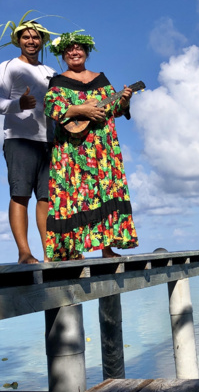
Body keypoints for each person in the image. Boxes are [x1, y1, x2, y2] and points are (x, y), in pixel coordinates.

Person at [44, 31, 138, 261]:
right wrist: (79, 110)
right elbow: (51, 108)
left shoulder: (101, 80)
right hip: (72, 151)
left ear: (86, 52)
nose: (74, 52)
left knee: (105, 193)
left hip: (103, 150)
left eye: (79, 48)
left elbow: (114, 110)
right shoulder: (58, 82)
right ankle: (71, 251)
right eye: (69, 50)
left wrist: (124, 101)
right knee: (74, 196)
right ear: (63, 54)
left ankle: (107, 249)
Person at [0, 19, 56, 263]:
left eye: (36, 37)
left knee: (46, 198)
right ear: (18, 40)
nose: (31, 41)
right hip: (19, 139)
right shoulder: (8, 67)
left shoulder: (50, 72)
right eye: (26, 37)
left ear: (42, 41)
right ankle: (25, 253)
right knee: (20, 195)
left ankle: (50, 253)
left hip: (48, 141)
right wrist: (18, 104)